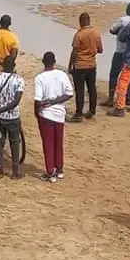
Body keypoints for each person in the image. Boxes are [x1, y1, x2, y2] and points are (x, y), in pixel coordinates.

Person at [34, 51, 74, 183]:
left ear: (43, 62)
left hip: (46, 114)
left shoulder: (40, 78)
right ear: (55, 61)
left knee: (48, 144)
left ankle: (50, 172)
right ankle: (60, 169)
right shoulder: (62, 75)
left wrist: (37, 112)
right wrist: (56, 101)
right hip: (60, 114)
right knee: (58, 143)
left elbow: (38, 99)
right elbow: (69, 93)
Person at [0, 55, 24, 179]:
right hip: (13, 117)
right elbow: (16, 101)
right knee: (14, 143)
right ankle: (15, 172)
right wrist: (3, 109)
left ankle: (0, 171)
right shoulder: (19, 79)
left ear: (2, 65)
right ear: (14, 66)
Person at [68, 12, 103, 122]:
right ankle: (92, 111)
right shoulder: (96, 33)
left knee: (80, 90)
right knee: (92, 88)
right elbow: (100, 50)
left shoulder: (79, 35)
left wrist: (70, 66)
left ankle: (79, 113)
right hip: (91, 65)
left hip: (80, 65)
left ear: (81, 22)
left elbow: (74, 52)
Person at [101, 2, 130, 108]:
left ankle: (111, 99)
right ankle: (129, 99)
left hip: (120, 51)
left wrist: (120, 33)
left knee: (114, 75)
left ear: (127, 10)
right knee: (129, 76)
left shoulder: (123, 20)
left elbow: (112, 30)